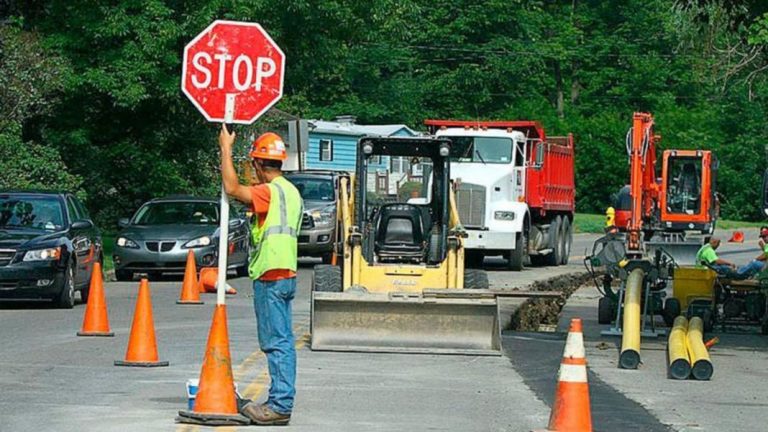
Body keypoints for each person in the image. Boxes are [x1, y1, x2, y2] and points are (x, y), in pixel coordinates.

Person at [219, 125, 303, 426]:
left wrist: (225, 148)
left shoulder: (270, 192)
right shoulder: (290, 192)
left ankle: (280, 405)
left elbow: (232, 188)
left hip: (272, 273)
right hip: (285, 273)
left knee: (276, 341)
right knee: (281, 340)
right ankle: (280, 401)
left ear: (258, 164)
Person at [696, 237, 765, 279]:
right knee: (752, 265)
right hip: (708, 270)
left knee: (729, 267)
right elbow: (716, 261)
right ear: (714, 242)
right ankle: (743, 271)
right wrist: (729, 264)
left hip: (707, 269)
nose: (718, 246)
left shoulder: (705, 247)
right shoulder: (708, 250)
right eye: (718, 243)